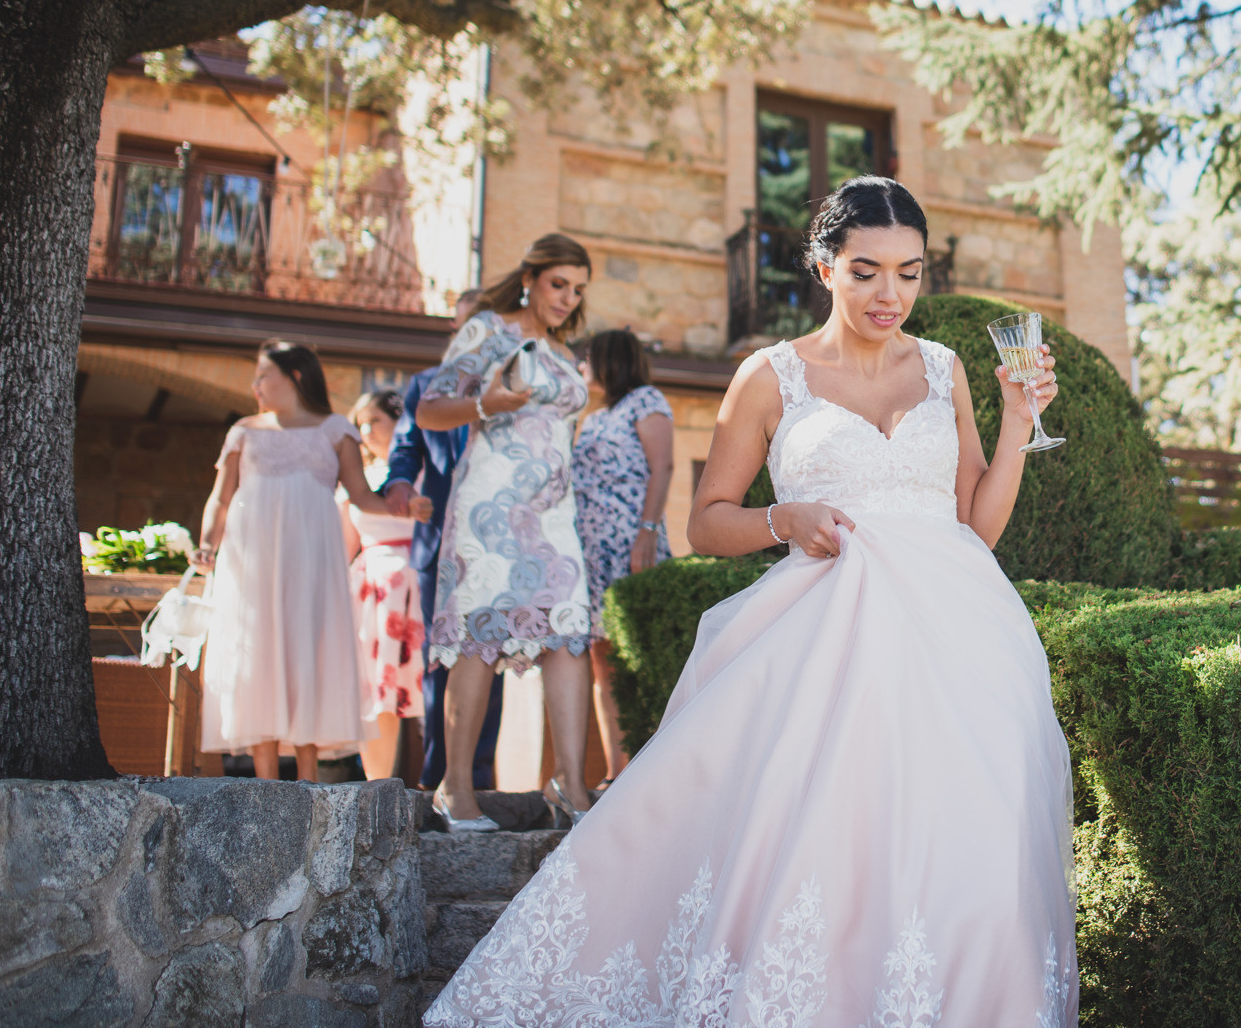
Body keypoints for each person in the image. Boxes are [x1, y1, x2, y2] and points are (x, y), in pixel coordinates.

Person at [424, 178, 1075, 1025]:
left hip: (958, 639)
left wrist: (1020, 421)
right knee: (817, 845)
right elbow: (705, 522)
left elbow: (976, 527)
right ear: (823, 265)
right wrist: (782, 518)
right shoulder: (769, 376)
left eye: (910, 274)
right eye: (868, 271)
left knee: (964, 848)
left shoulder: (946, 369)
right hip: (822, 636)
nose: (892, 295)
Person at [415, 234, 599, 831]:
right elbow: (429, 409)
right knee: (481, 634)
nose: (568, 299)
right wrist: (486, 405)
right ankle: (455, 788)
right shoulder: (488, 330)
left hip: (553, 513)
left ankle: (570, 783)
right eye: (558, 285)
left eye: (577, 290)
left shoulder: (561, 349)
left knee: (569, 633)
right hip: (490, 505)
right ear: (530, 278)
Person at [193, 341, 395, 783]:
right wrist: (207, 543)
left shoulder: (336, 429)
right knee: (259, 652)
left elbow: (361, 495)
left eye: (264, 375)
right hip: (254, 564)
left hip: (312, 562)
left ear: (296, 377)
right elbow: (220, 499)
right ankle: (265, 781)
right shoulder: (244, 430)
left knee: (308, 647)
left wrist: (406, 507)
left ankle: (308, 779)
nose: (255, 385)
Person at [383, 289, 506, 795]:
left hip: (498, 548)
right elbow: (405, 450)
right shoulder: (425, 386)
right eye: (462, 327)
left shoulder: (516, 387)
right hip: (439, 544)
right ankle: (436, 782)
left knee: (489, 664)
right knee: (439, 666)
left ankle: (478, 783)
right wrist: (402, 489)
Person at [572, 327, 675, 786]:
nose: (581, 367)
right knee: (602, 659)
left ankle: (650, 773)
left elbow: (663, 466)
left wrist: (646, 534)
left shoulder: (645, 401)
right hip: (591, 551)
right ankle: (617, 771)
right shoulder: (593, 417)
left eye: (587, 358)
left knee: (638, 655)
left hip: (630, 540)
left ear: (609, 360)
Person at [340, 389, 430, 780]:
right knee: (377, 695)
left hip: (419, 581)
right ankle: (376, 788)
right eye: (360, 422)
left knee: (427, 689)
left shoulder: (425, 472)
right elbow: (346, 544)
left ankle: (439, 785)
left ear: (399, 421)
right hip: (370, 592)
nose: (366, 429)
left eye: (375, 419)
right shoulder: (355, 479)